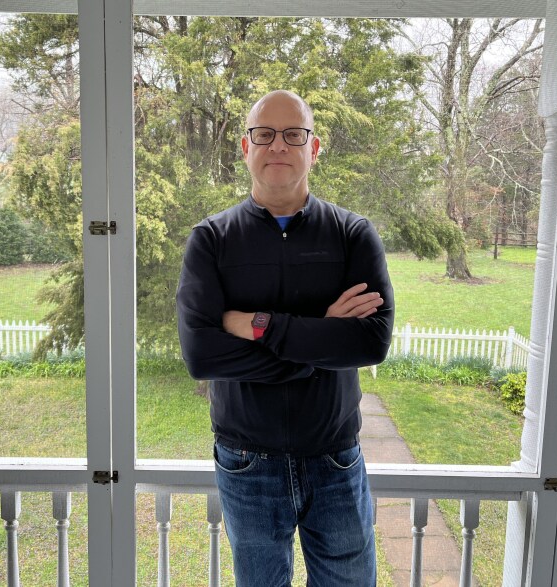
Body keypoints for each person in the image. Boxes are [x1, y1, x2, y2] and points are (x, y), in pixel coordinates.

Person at [176, 89, 394, 586]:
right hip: (246, 461)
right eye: (265, 134)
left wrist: (257, 325)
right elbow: (202, 354)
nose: (279, 146)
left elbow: (370, 342)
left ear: (313, 148)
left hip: (335, 458)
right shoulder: (211, 239)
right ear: (244, 147)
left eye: (293, 135)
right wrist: (320, 340)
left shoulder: (353, 235)